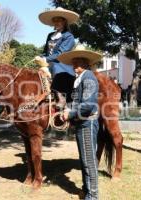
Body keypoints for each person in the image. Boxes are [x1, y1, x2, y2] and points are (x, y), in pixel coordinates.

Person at [58, 45, 102, 200]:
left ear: (85, 63)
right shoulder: (80, 78)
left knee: (89, 161)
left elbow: (88, 105)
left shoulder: (88, 77)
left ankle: (93, 196)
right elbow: (78, 102)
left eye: (78, 61)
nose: (74, 64)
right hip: (82, 123)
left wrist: (70, 113)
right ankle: (86, 190)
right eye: (74, 61)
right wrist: (67, 109)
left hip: (87, 123)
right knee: (84, 160)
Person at [35, 7, 79, 108]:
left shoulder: (68, 36)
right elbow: (46, 51)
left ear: (64, 21)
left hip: (62, 63)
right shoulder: (50, 35)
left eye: (59, 20)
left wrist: (46, 59)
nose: (56, 22)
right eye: (55, 20)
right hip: (50, 62)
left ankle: (61, 97)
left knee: (55, 66)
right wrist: (40, 57)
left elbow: (61, 54)